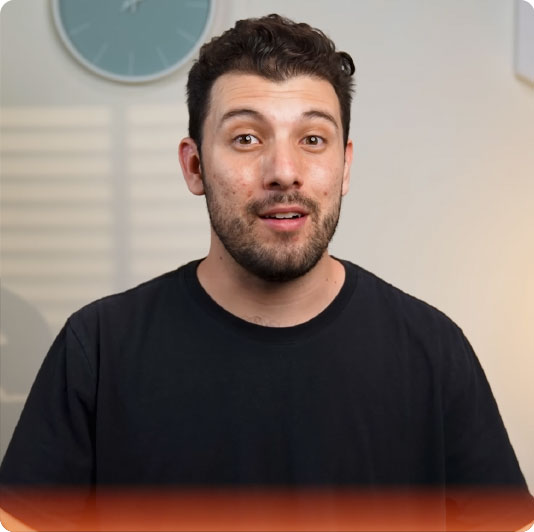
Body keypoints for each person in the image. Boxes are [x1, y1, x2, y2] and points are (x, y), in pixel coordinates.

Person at [1, 13, 533, 531]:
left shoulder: (434, 351)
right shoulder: (98, 348)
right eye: (246, 139)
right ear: (194, 166)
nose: (283, 172)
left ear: (345, 166)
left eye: (313, 139)